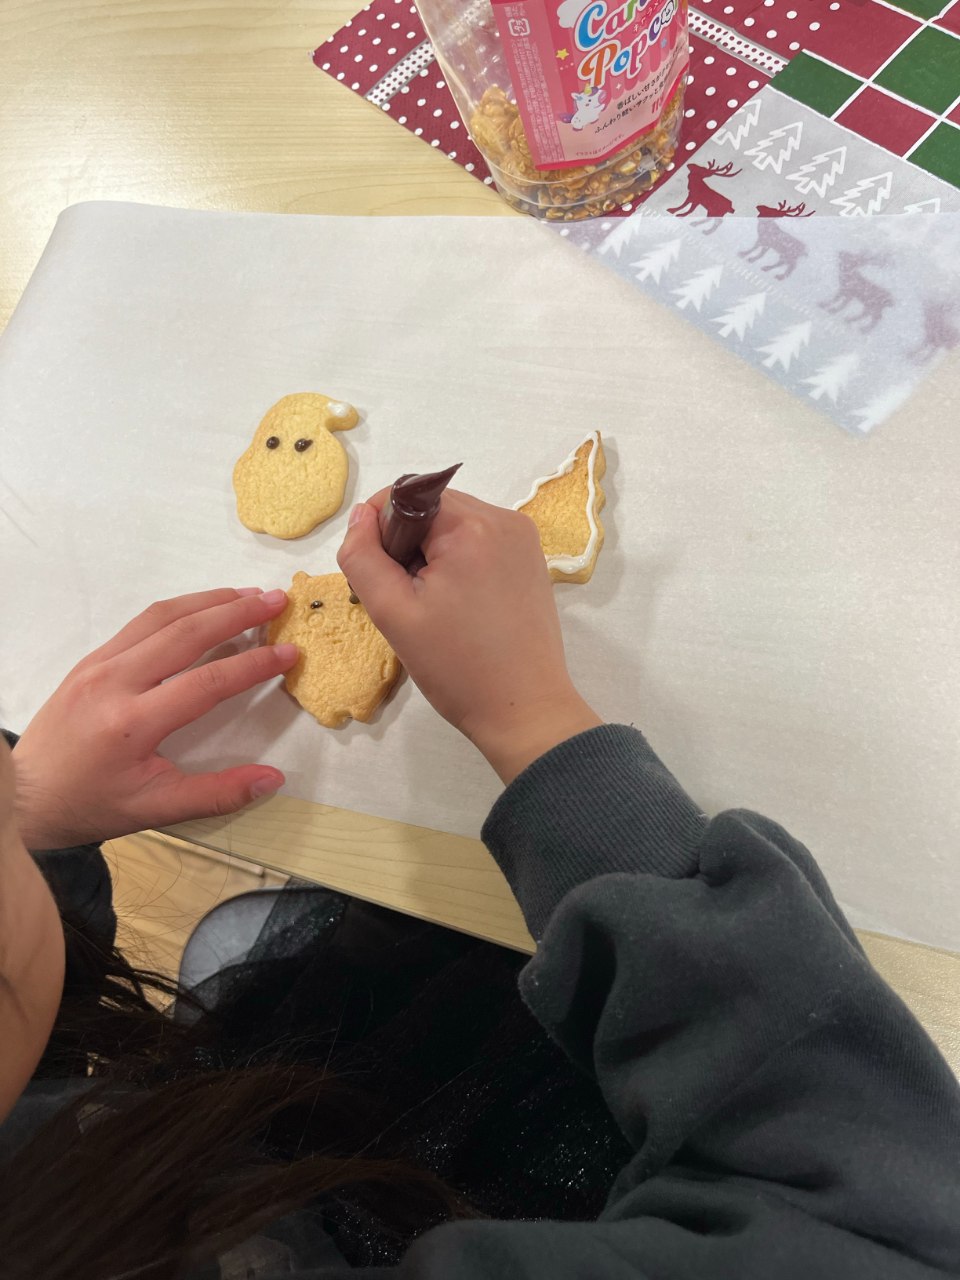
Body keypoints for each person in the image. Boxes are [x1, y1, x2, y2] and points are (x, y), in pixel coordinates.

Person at [1, 490, 958, 1280]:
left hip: (229, 1142)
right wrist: (532, 719)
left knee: (317, 938)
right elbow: (888, 1214)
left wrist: (37, 831)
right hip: (499, 1200)